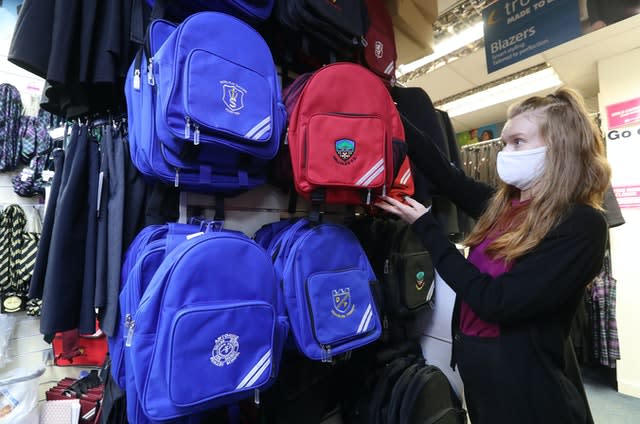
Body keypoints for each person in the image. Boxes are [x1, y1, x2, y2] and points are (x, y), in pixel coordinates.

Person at [376, 87, 611, 424]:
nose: (506, 152)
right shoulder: (505, 207)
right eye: (504, 143)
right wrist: (387, 111)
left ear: (560, 148)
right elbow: (445, 174)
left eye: (518, 142)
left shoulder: (581, 224)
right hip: (481, 374)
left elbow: (496, 301)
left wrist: (427, 228)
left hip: (527, 388)